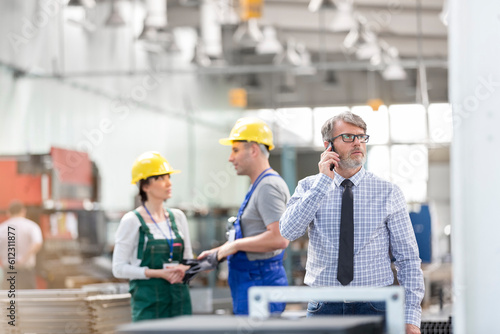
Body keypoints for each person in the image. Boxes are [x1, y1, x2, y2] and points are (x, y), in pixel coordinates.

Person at [279, 112, 424, 334]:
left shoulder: (388, 192)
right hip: (323, 307)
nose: (357, 142)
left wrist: (411, 316)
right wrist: (322, 183)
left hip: (375, 306)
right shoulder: (308, 187)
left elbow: (408, 258)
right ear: (328, 145)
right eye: (348, 137)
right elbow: (288, 231)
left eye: (361, 137)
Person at [199, 117, 290, 315]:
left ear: (254, 150)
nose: (231, 158)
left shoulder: (268, 186)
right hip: (251, 280)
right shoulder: (258, 185)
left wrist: (233, 246)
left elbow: (279, 238)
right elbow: (255, 234)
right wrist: (218, 252)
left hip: (260, 281)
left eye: (236, 150)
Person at [112, 152, 194, 322]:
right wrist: (158, 273)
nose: (168, 183)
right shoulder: (132, 221)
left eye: (169, 177)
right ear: (145, 186)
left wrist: (185, 269)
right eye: (161, 178)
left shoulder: (178, 217)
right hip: (148, 304)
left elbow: (188, 259)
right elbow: (118, 268)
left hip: (179, 300)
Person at [0, 201, 43, 289]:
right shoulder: (31, 226)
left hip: (8, 273)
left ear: (8, 212)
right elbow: (37, 243)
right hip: (26, 272)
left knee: (9, 301)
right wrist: (23, 259)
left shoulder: (2, 228)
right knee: (29, 300)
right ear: (23, 211)